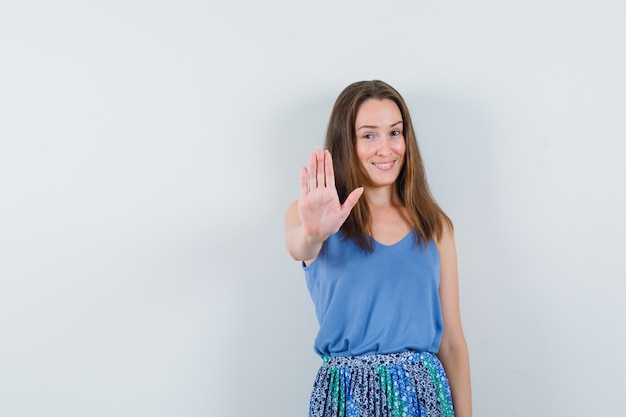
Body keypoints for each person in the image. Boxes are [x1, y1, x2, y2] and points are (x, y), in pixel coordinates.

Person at [285, 80, 472, 417]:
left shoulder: (435, 226)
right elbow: (300, 245)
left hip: (423, 397)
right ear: (347, 142)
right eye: (369, 135)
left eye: (394, 133)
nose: (385, 149)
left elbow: (452, 342)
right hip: (347, 398)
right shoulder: (314, 216)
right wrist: (315, 233)